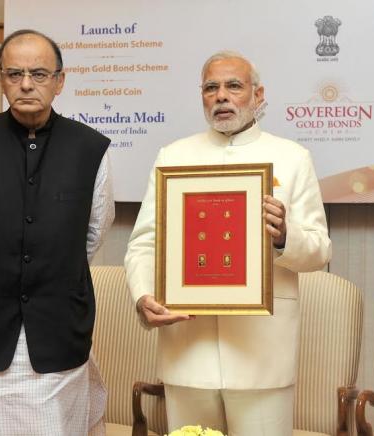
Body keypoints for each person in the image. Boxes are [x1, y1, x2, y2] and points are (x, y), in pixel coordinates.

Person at [124, 51, 331, 435]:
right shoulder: (173, 156)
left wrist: (285, 236)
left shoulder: (292, 157)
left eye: (233, 86)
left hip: (262, 356)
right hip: (187, 351)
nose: (221, 96)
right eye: (211, 88)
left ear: (258, 94)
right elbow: (145, 243)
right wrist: (143, 296)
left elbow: (319, 250)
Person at [0, 29, 114, 435]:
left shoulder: (90, 148)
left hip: (55, 335)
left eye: (39, 74)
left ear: (59, 81)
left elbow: (92, 233)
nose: (26, 84)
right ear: (1, 79)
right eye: (15, 74)